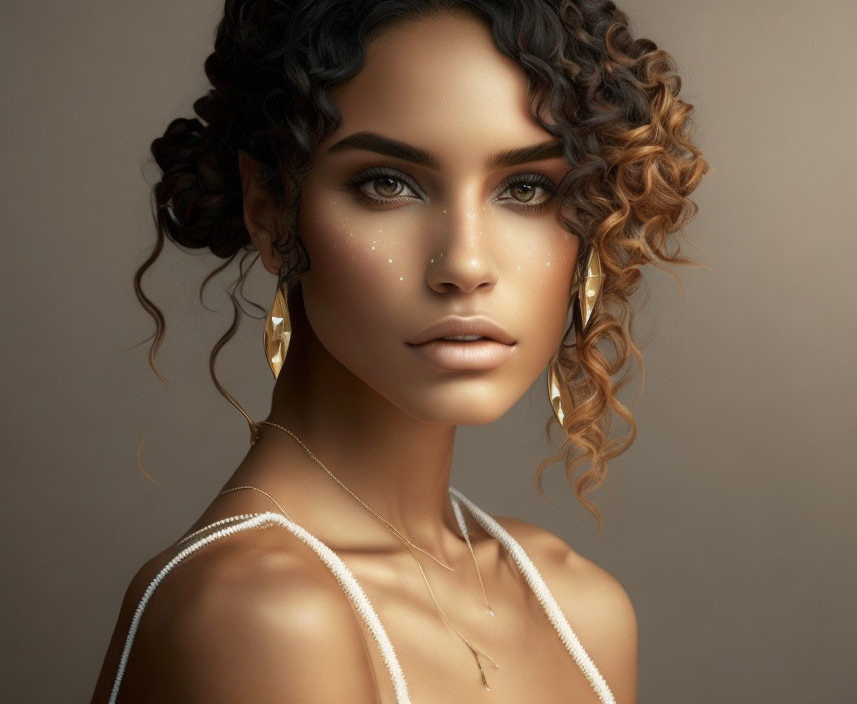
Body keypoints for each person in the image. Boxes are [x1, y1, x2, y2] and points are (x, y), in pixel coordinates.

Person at [91, 1, 708, 702]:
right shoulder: (261, 614)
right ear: (268, 207)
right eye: (388, 183)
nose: (466, 263)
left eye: (527, 187)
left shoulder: (579, 608)